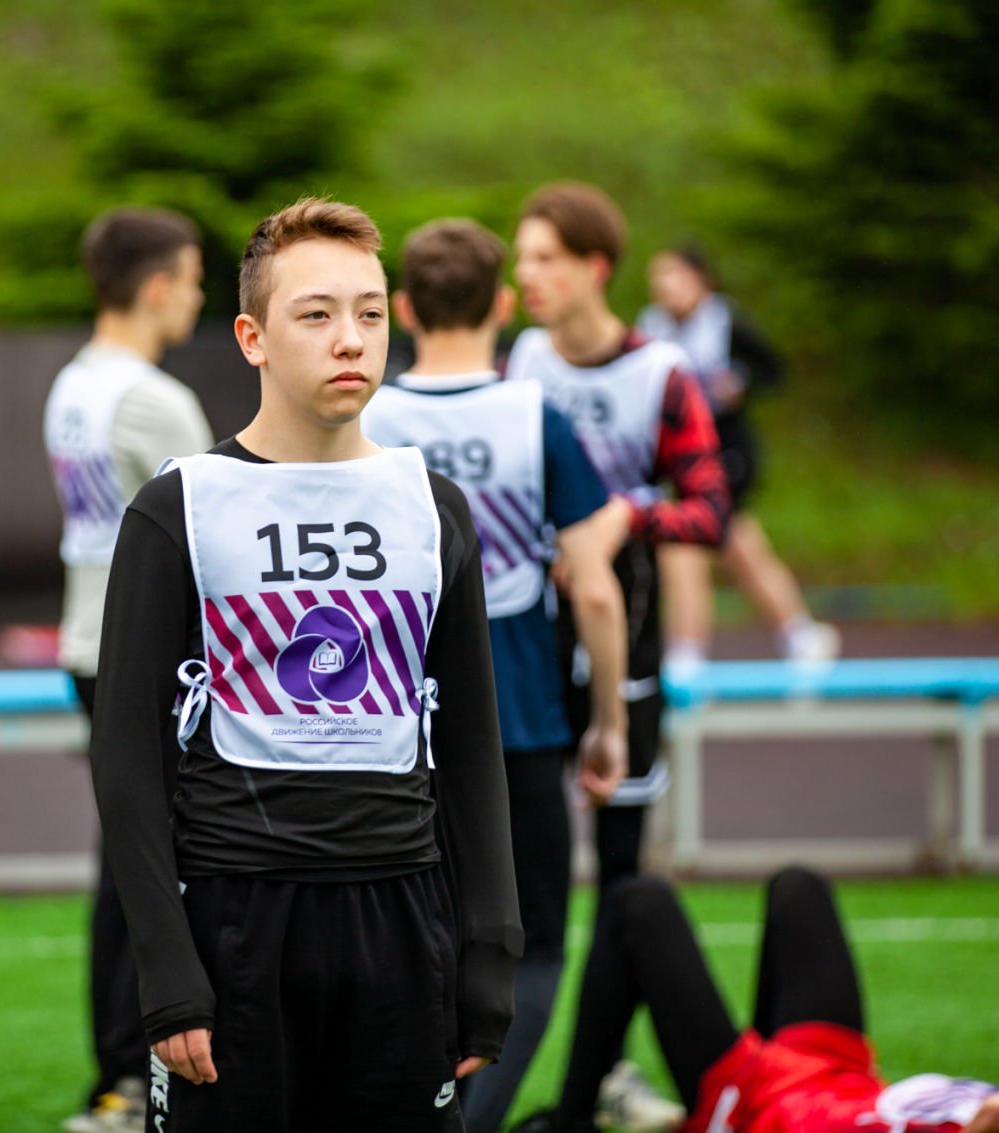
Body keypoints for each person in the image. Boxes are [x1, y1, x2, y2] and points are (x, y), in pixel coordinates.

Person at [89, 198, 521, 1132]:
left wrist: (491, 944)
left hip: (403, 920)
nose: (350, 339)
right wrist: (164, 963)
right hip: (235, 922)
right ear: (252, 337)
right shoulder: (180, 507)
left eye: (369, 312)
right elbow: (125, 759)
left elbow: (472, 745)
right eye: (316, 314)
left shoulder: (432, 505)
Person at [361, 218, 630, 1133]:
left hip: (401, 731)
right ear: (504, 305)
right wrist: (609, 722)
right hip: (522, 719)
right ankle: (472, 1119)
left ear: (402, 309)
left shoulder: (371, 417)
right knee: (534, 943)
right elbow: (594, 587)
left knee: (413, 938)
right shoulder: (534, 415)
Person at [515, 867, 999, 1133]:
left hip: (761, 1106)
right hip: (841, 1076)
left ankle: (570, 1122)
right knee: (799, 888)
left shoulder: (997, 1124)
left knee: (638, 905)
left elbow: (997, 1114)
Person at [43, 206, 215, 1133]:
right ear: (155, 287)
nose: (197, 295)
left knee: (122, 860)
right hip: (142, 654)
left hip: (88, 644)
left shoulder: (73, 382)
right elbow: (214, 529)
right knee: (144, 865)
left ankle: (114, 1074)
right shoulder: (152, 397)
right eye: (190, 278)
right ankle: (123, 1076)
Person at [508, 183, 730, 892]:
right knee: (526, 853)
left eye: (546, 258)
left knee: (622, 864)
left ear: (596, 266)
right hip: (532, 627)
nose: (527, 274)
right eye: (522, 258)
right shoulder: (522, 361)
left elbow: (711, 512)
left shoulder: (662, 373)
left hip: (627, 623)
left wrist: (626, 519)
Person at [637, 245, 839, 674]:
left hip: (724, 452)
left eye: (674, 274)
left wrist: (739, 382)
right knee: (735, 547)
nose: (664, 285)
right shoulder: (650, 327)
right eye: (659, 276)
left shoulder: (725, 322)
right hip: (675, 456)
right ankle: (796, 633)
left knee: (691, 545)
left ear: (701, 280)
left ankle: (689, 652)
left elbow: (772, 368)